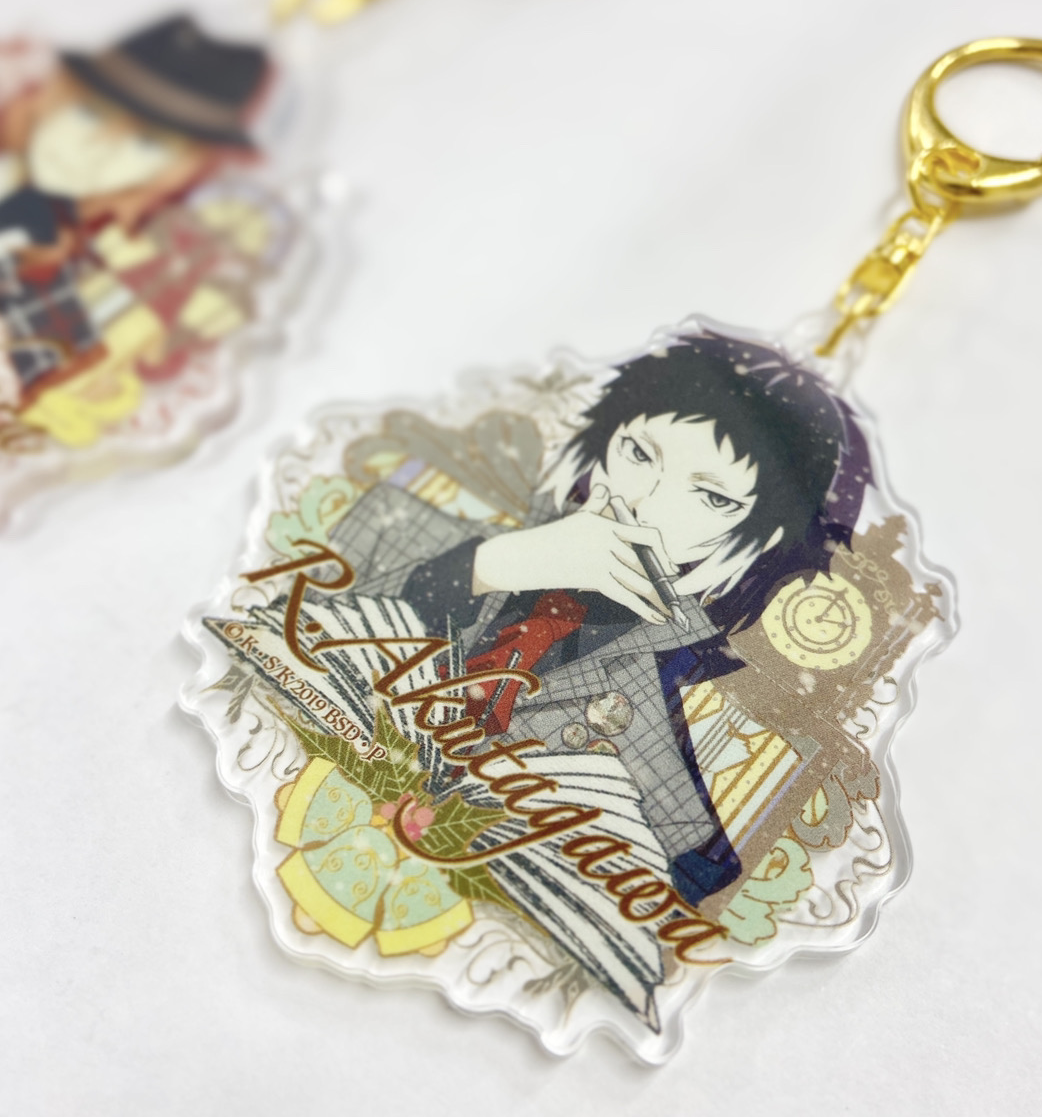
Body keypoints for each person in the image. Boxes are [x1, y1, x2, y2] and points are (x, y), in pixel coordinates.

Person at [329, 329, 872, 904]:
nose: (642, 502)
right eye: (638, 453)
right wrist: (493, 564)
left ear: (756, 537)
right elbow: (316, 606)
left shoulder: (665, 686)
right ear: (608, 436)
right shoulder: (429, 528)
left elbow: (689, 872)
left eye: (713, 498)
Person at [0, 14, 271, 408]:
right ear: (53, 100)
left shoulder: (57, 281)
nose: (95, 151)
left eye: (147, 144)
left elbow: (32, 380)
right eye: (88, 114)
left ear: (173, 171)